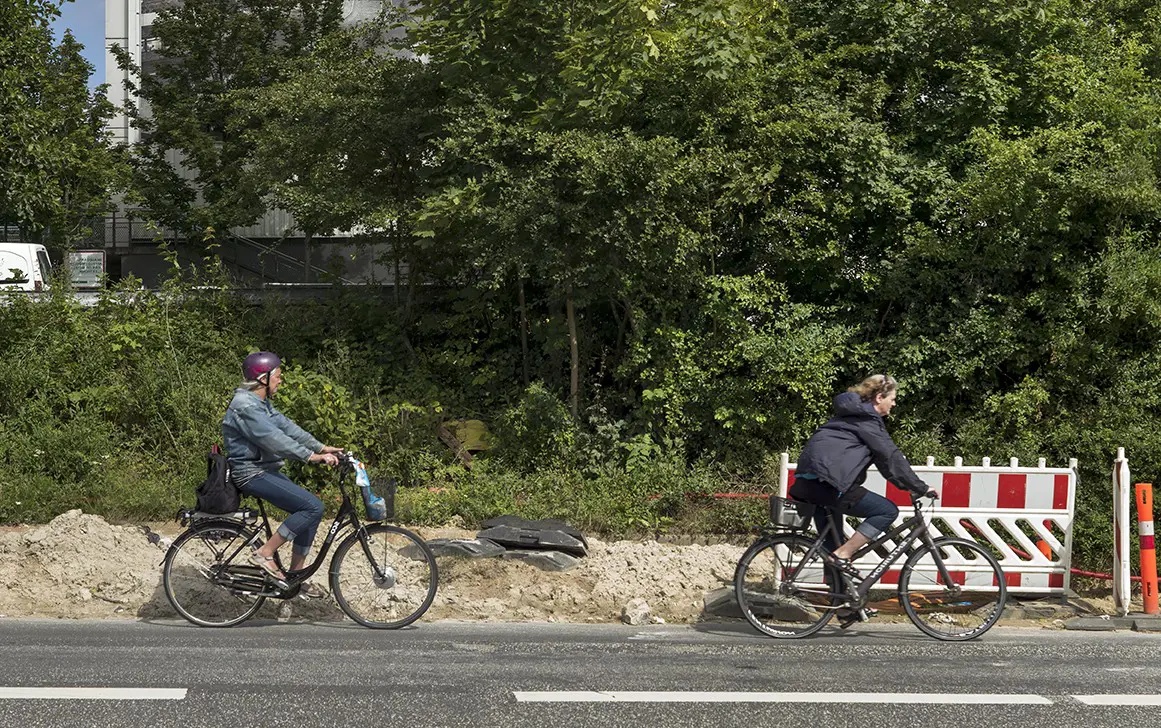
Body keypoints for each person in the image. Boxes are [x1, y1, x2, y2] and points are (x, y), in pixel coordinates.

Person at [221, 351, 344, 597]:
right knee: (312, 507)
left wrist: (320, 447)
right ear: (263, 378)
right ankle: (264, 553)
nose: (281, 380)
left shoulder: (259, 402)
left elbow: (287, 427)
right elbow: (273, 439)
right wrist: (311, 456)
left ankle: (295, 578)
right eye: (277, 375)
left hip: (264, 469)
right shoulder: (245, 406)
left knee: (310, 512)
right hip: (251, 472)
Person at [790, 374, 937, 573]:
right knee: (886, 511)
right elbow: (891, 457)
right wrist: (921, 487)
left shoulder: (849, 416)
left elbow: (885, 464)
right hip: (828, 485)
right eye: (892, 399)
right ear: (879, 398)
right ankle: (844, 553)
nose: (894, 404)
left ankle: (839, 590)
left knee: (833, 550)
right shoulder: (867, 421)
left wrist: (906, 486)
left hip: (809, 484)